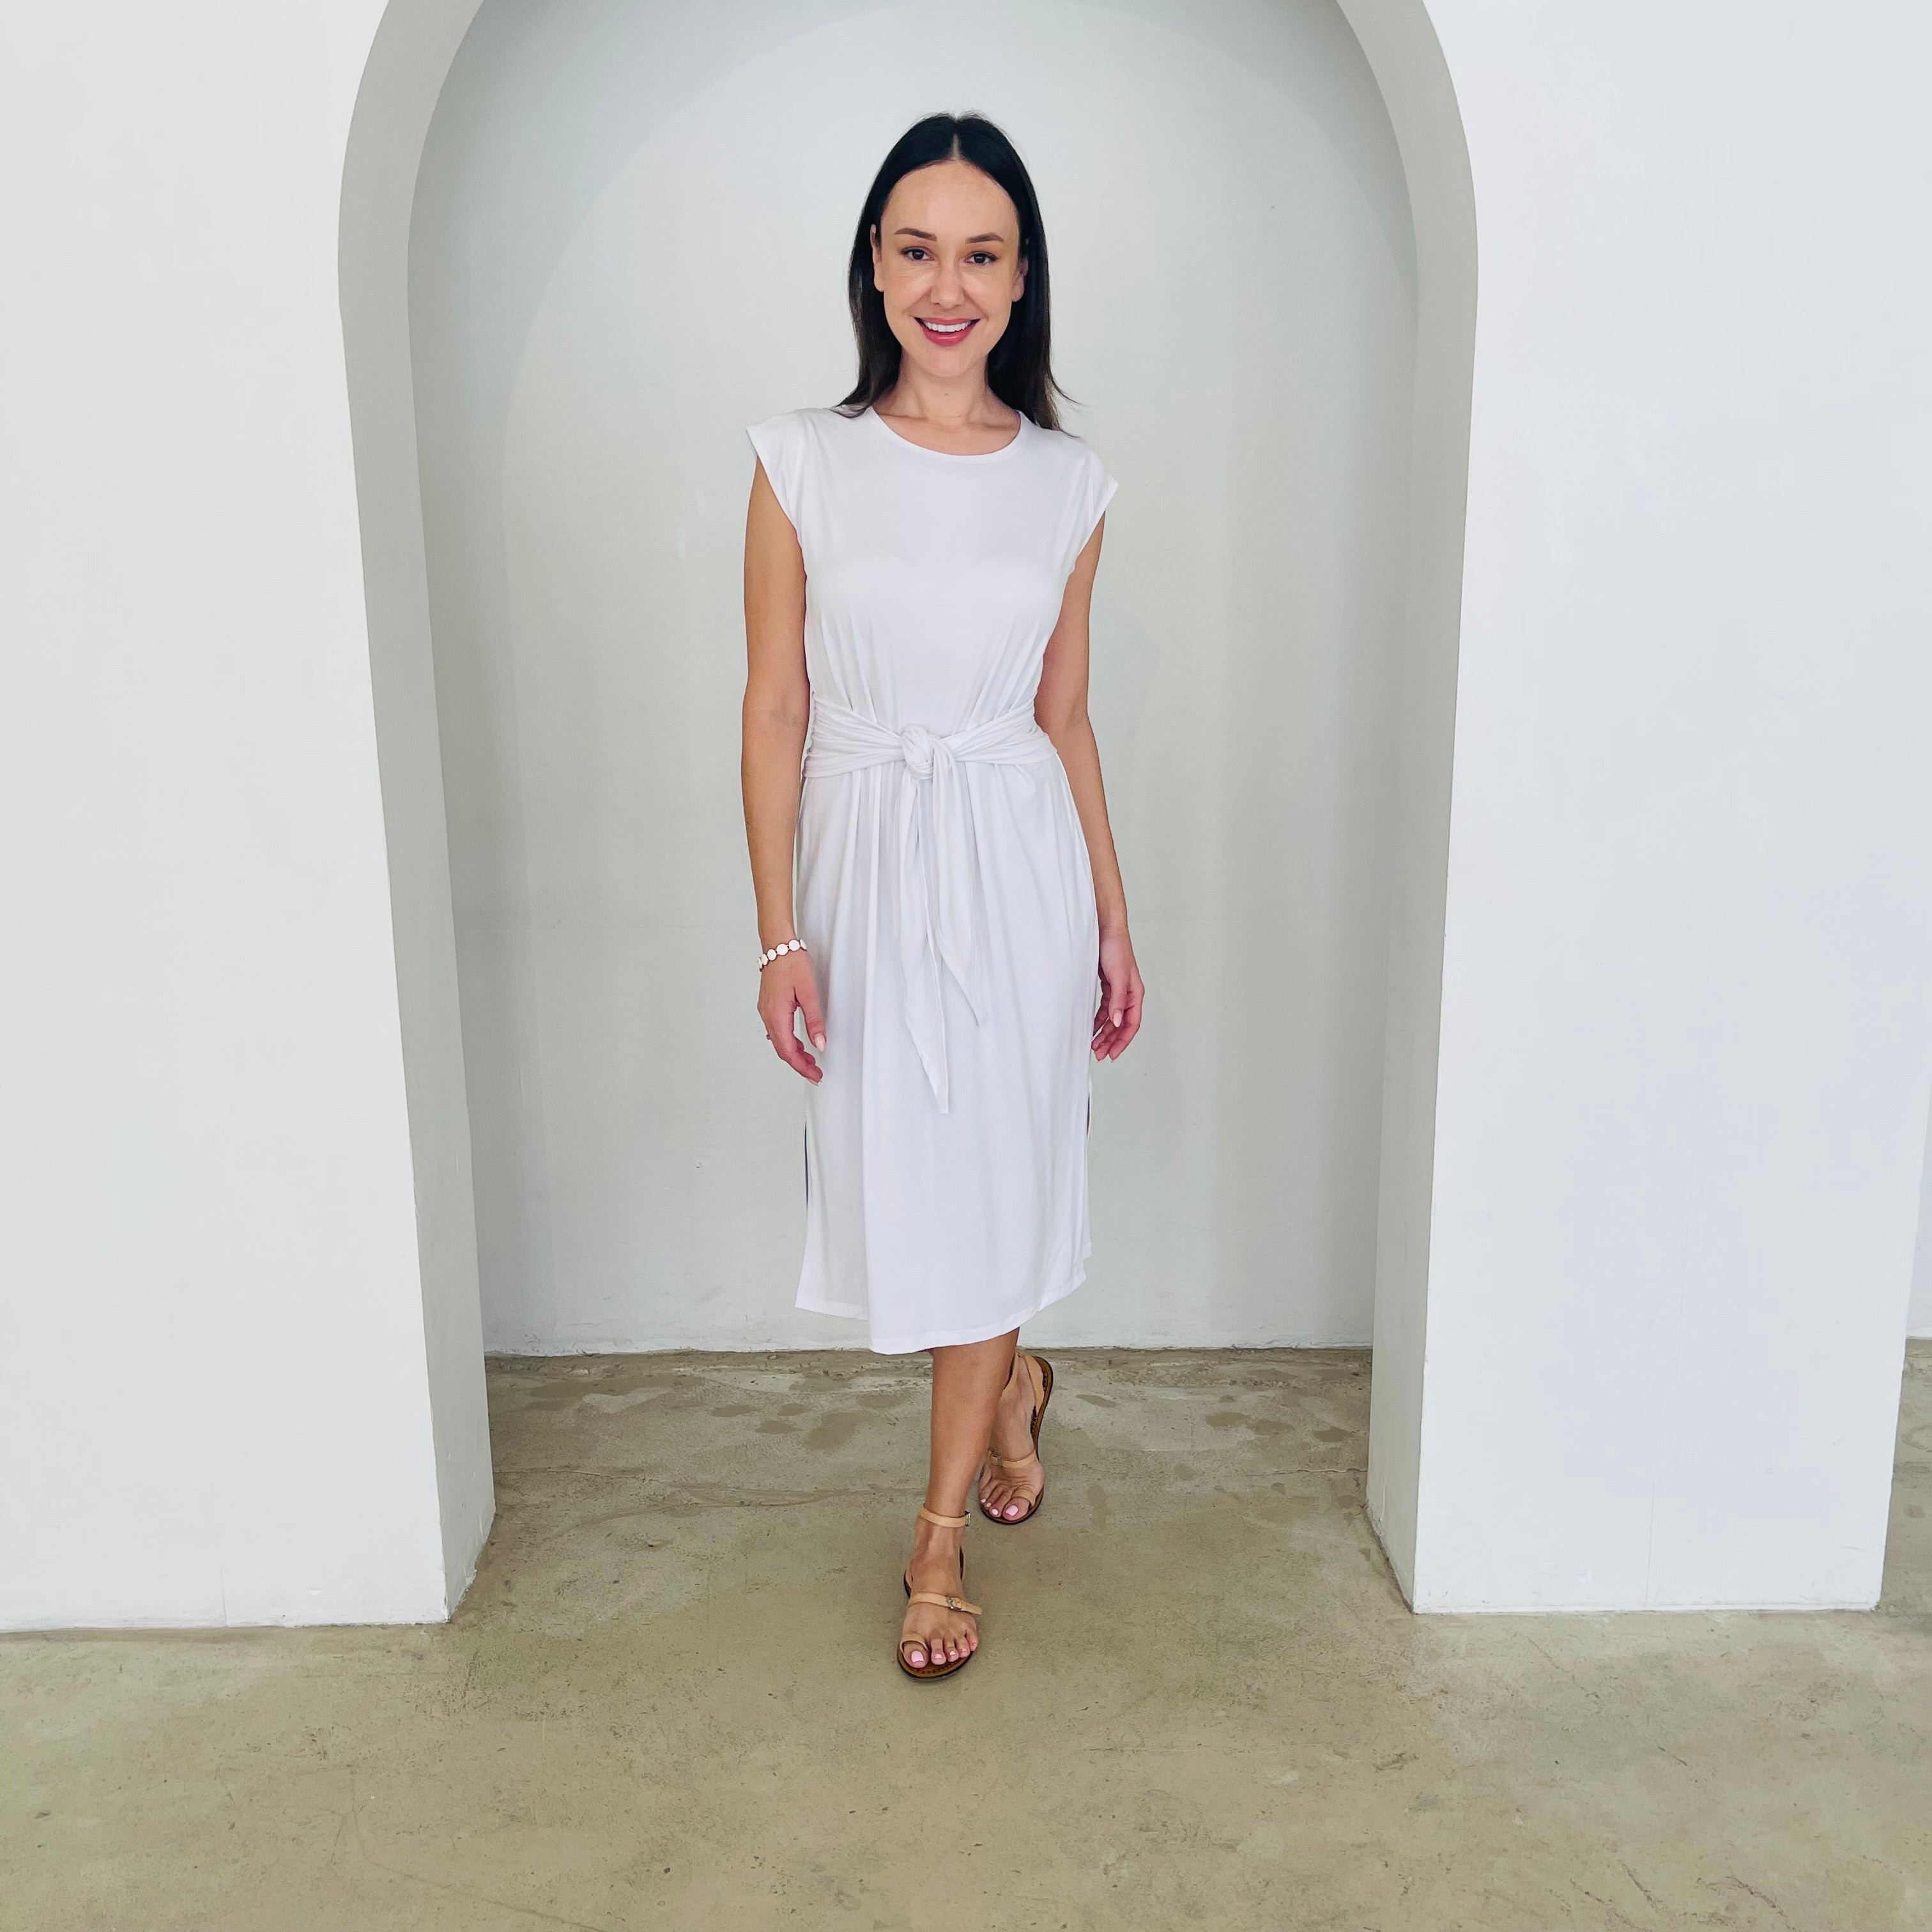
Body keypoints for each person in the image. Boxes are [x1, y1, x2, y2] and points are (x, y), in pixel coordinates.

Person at [739, 112, 1144, 1680]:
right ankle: (1015, 1385)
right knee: (918, 1197)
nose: (948, 284)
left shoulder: (1070, 483)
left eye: (982, 253)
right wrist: (779, 928)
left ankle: (936, 1542)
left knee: (991, 1187)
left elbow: (1066, 717)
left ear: (1022, 275)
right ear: (876, 265)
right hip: (863, 862)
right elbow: (772, 708)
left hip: (1016, 860)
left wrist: (1110, 915)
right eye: (919, 249)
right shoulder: (800, 462)